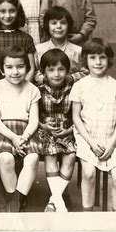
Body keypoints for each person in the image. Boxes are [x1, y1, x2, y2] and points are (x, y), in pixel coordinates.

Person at [70, 38, 116, 212]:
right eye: (92, 58)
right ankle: (88, 214)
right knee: (88, 173)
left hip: (112, 138)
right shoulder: (79, 86)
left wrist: (112, 143)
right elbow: (76, 117)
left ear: (109, 60)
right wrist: (91, 142)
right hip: (88, 138)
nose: (98, 62)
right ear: (85, 60)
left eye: (102, 57)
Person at [0, 45, 42, 212]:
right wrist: (13, 137)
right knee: (6, 159)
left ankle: (16, 200)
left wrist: (24, 137)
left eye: (20, 66)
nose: (15, 71)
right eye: (9, 67)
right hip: (4, 130)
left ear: (27, 68)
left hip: (27, 131)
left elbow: (34, 120)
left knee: (32, 159)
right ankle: (12, 197)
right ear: (2, 70)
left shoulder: (32, 89)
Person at [37, 49, 76, 213]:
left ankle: (54, 201)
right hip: (45, 129)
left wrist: (68, 130)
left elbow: (79, 116)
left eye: (61, 69)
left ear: (67, 71)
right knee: (51, 154)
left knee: (71, 155)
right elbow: (33, 117)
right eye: (51, 69)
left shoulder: (74, 89)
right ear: (44, 72)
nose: (56, 74)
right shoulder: (38, 90)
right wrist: (44, 126)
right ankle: (59, 203)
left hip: (67, 130)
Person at [34, 6, 87, 85]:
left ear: (68, 25)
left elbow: (86, 74)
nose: (58, 26)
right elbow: (33, 72)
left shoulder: (78, 51)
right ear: (47, 25)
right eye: (54, 23)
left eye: (63, 23)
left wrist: (72, 78)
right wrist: (44, 78)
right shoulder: (38, 50)